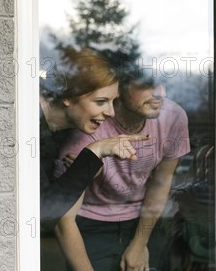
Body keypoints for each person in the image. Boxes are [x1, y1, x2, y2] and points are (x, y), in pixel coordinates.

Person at [55, 69, 190, 271]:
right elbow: (64, 218)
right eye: (147, 84)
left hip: (143, 219)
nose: (159, 94)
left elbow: (162, 182)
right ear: (121, 88)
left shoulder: (173, 117)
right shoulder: (90, 125)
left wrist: (140, 241)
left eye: (163, 84)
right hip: (90, 223)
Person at [39, 47, 149, 231]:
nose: (111, 112)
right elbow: (43, 212)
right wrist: (95, 151)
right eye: (101, 102)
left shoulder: (61, 131)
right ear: (68, 97)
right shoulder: (29, 126)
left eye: (113, 101)